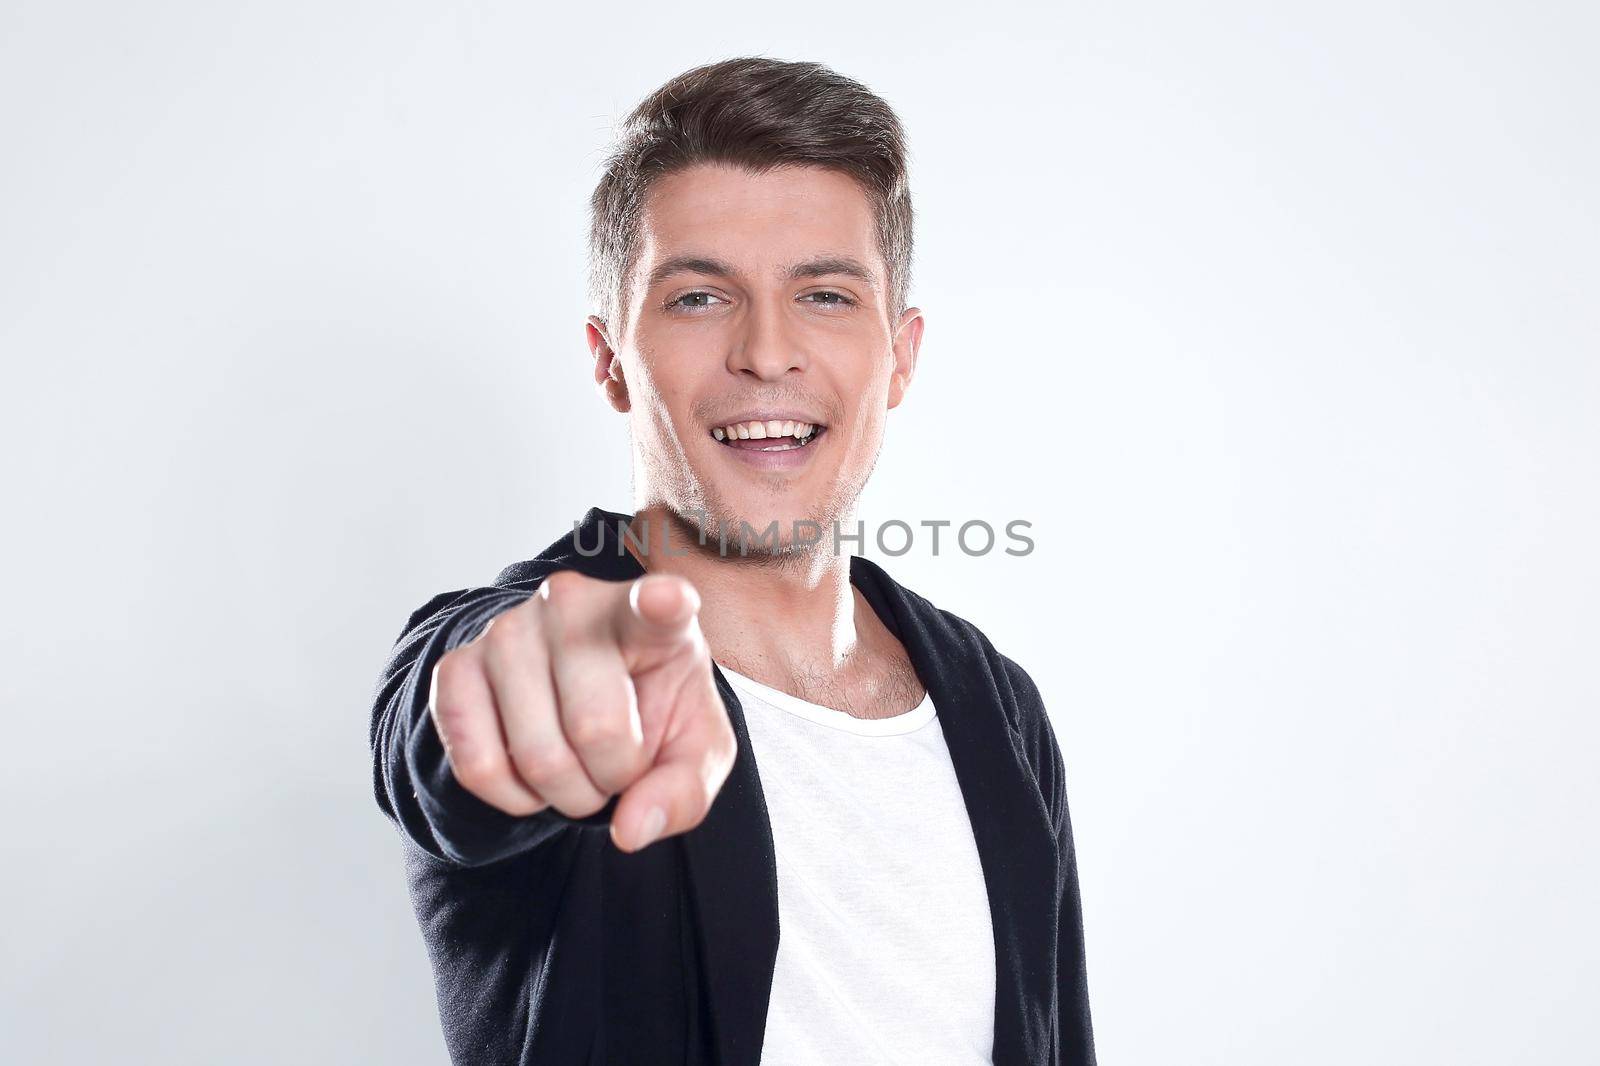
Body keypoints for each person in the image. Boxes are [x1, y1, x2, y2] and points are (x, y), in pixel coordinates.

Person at [369, 56, 1096, 1065]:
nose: (765, 351)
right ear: (609, 359)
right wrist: (525, 673)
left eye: (827, 296)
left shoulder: (995, 704)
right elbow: (451, 718)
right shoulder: (550, 649)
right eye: (701, 298)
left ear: (901, 355)